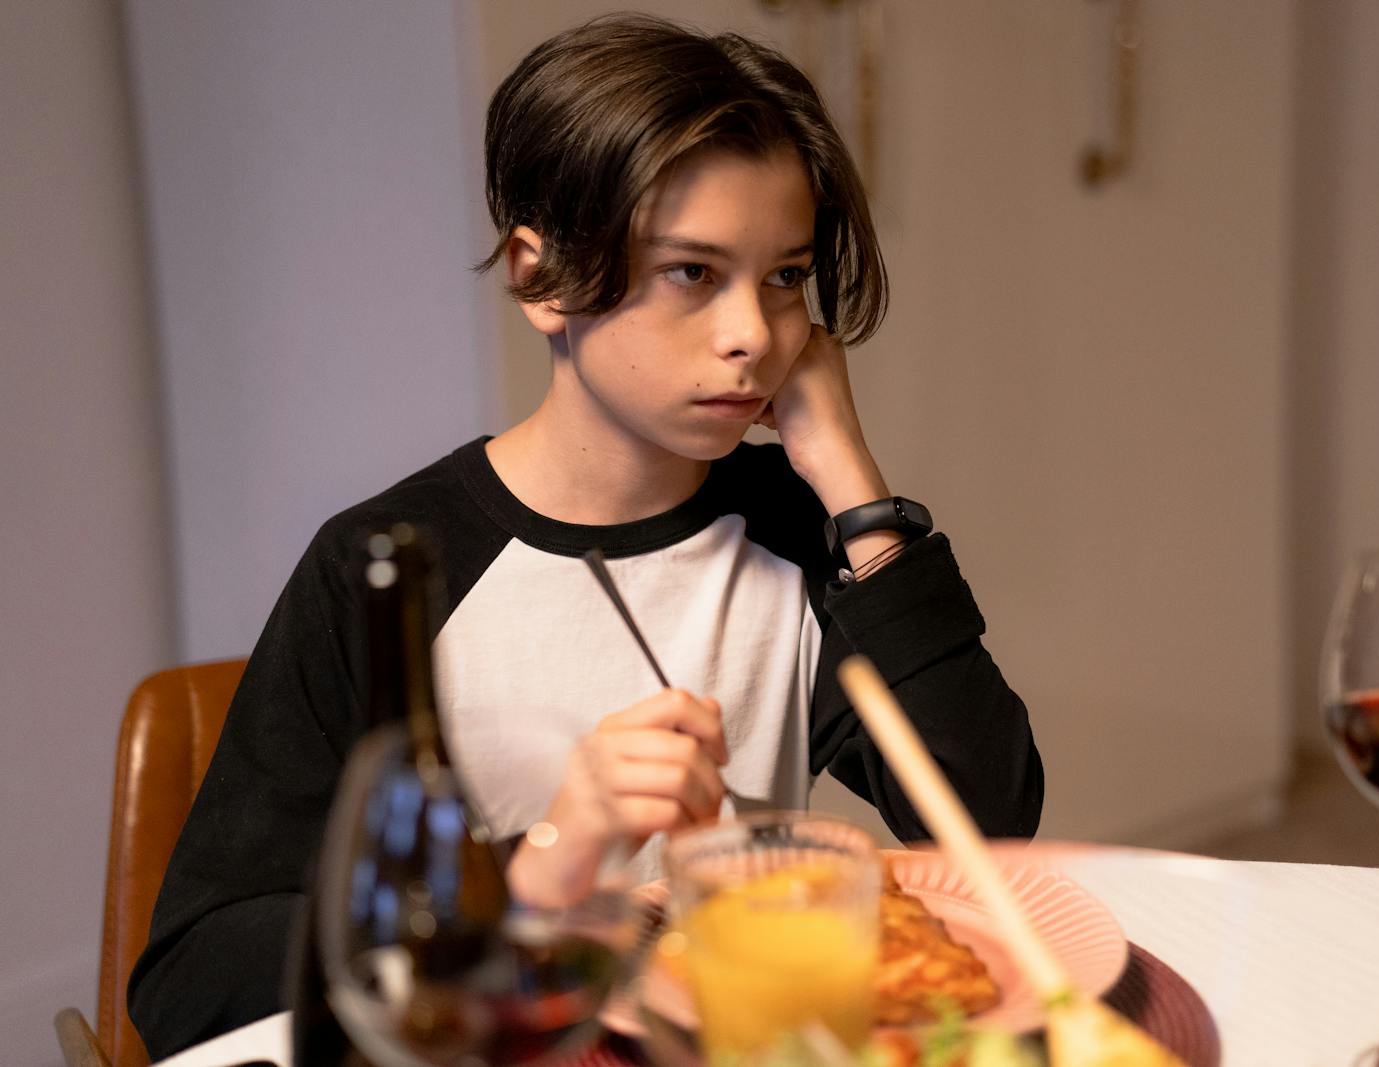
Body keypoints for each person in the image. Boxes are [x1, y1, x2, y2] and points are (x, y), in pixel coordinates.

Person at [128, 13, 1043, 1060]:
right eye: (692, 273)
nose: (753, 331)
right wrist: (527, 875)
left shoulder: (795, 530)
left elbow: (987, 816)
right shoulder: (388, 564)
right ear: (540, 276)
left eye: (785, 275)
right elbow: (192, 978)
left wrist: (853, 485)